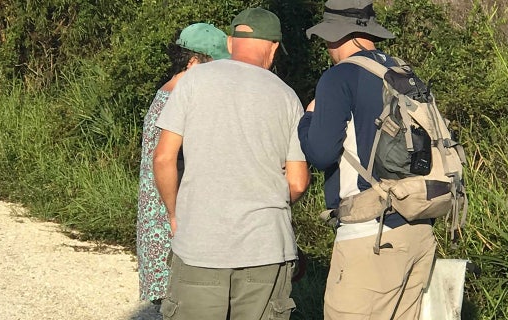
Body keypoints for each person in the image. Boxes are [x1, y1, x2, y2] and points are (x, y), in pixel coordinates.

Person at [153, 7, 310, 320]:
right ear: (274, 46)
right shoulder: (288, 96)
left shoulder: (193, 81)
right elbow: (297, 182)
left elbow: (164, 157)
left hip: (201, 243)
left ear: (229, 42)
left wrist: (174, 213)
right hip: (265, 249)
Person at [299, 0, 437, 319]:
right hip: (417, 226)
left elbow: (321, 153)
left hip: (371, 234)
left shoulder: (341, 76)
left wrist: (307, 119)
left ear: (336, 35)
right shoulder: (403, 72)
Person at [136, 22, 230, 304]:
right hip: (170, 221)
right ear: (192, 62)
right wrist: (176, 215)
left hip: (162, 220)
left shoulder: (167, 92)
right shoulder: (178, 99)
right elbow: (166, 161)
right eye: (214, 65)